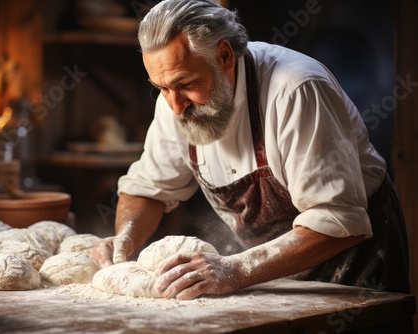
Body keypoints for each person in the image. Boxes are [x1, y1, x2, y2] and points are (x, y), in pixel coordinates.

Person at [90, 0, 410, 301]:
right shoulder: (175, 101)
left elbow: (339, 219)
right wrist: (126, 241)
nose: (174, 105)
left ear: (225, 57)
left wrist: (236, 269)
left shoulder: (295, 92)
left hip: (355, 267)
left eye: (185, 83)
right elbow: (149, 189)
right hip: (271, 271)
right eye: (160, 88)